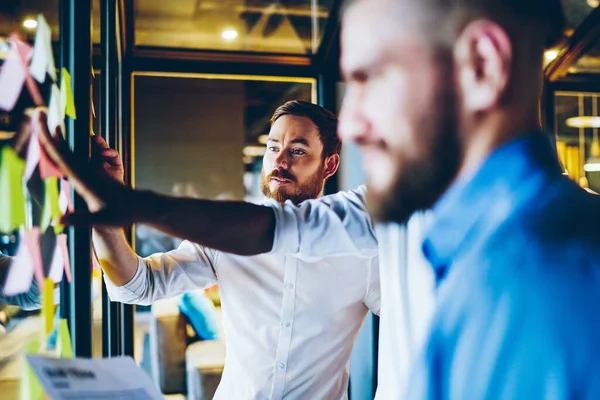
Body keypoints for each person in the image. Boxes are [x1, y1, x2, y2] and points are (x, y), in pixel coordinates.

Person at [337, 0, 600, 397]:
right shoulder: (496, 257)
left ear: (483, 66)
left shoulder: (525, 289)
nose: (348, 124)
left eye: (369, 77)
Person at [41, 101, 380, 399]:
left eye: (297, 151)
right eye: (273, 147)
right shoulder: (226, 236)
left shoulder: (363, 251)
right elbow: (137, 286)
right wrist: (104, 213)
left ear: (330, 165)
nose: (279, 161)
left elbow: (418, 332)